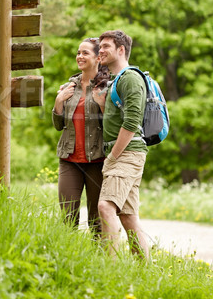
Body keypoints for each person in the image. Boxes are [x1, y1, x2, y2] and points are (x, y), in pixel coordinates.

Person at [96, 30, 149, 258]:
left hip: (126, 154)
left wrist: (113, 157)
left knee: (105, 207)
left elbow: (132, 121)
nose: (101, 50)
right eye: (100, 47)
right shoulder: (117, 80)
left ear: (121, 50)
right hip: (126, 153)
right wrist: (102, 104)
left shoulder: (130, 77)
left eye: (106, 46)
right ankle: (146, 269)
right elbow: (117, 119)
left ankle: (112, 269)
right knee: (128, 216)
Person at [52, 38, 109, 234]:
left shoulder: (106, 86)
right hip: (69, 159)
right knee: (68, 216)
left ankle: (99, 259)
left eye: (85, 53)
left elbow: (112, 126)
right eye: (78, 52)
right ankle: (69, 258)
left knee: (97, 219)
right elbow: (59, 126)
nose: (79, 56)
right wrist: (58, 103)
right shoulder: (69, 87)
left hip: (97, 160)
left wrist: (102, 104)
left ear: (98, 58)